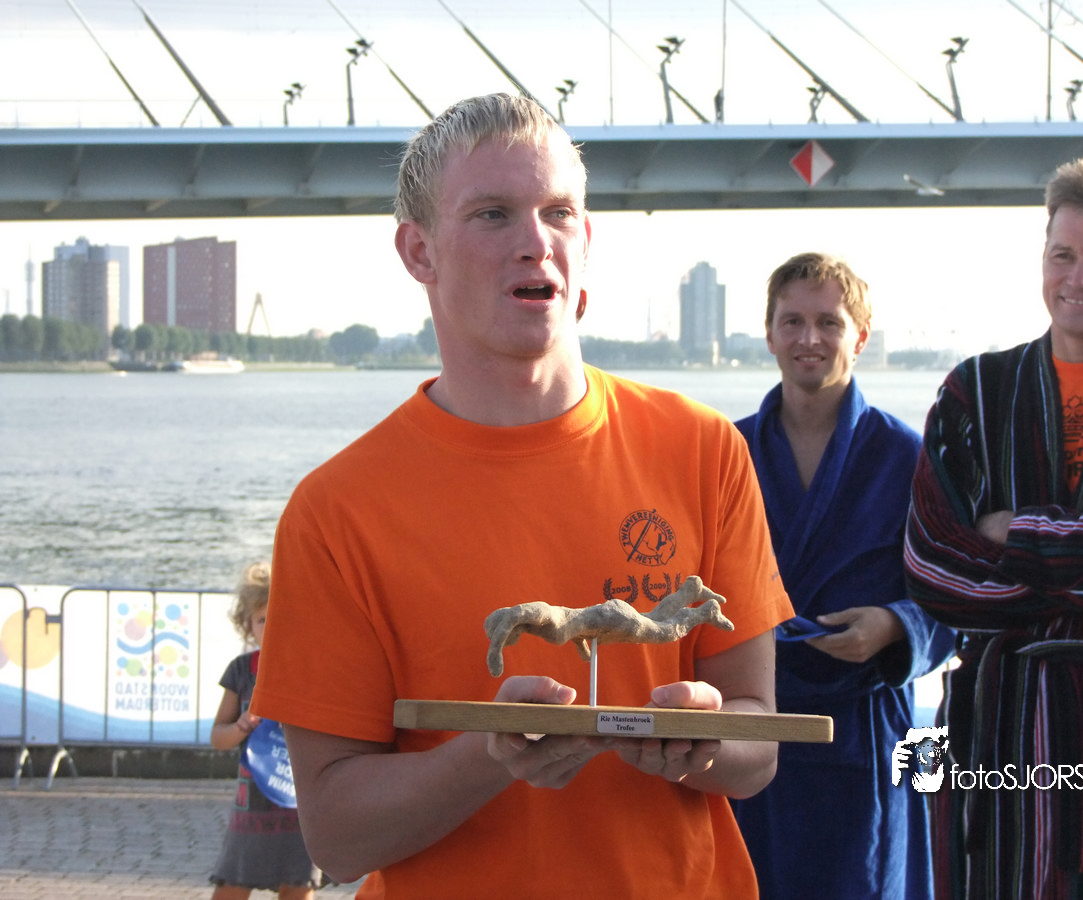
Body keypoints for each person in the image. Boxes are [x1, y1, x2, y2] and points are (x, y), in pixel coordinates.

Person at [249, 93, 793, 900]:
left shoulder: (705, 449)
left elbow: (758, 746)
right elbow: (336, 833)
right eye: (493, 214)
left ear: (586, 239)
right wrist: (489, 753)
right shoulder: (336, 512)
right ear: (419, 251)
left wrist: (700, 741)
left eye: (558, 212)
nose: (535, 241)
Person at [904, 154, 1083, 899]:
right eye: (1064, 255)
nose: (1080, 279)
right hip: (994, 740)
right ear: (1042, 258)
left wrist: (1016, 532)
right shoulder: (977, 391)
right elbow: (934, 569)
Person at [730, 252, 955, 900]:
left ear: (860, 336)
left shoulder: (907, 456)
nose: (810, 339)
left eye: (829, 322)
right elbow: (685, 587)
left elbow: (954, 594)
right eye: (793, 322)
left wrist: (893, 626)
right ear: (769, 334)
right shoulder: (727, 452)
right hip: (753, 724)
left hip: (862, 735)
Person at [209, 561, 327, 900]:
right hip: (252, 810)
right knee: (232, 883)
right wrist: (240, 726)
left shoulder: (311, 670)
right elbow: (218, 738)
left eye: (279, 617)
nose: (270, 626)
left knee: (299, 884)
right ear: (247, 624)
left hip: (299, 804)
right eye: (262, 619)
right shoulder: (241, 671)